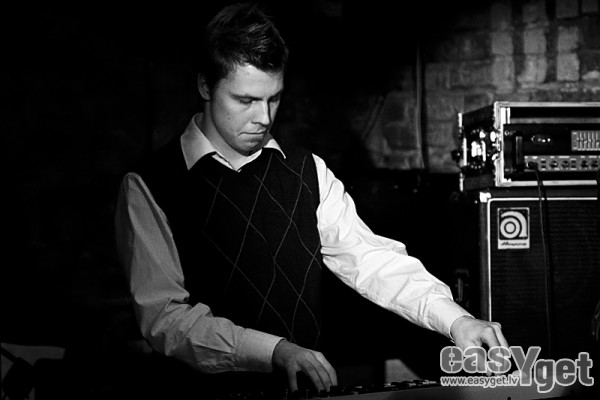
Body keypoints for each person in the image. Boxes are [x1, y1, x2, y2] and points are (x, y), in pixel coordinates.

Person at [114, 2, 507, 397]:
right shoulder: (149, 185)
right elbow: (165, 318)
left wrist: (456, 320)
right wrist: (273, 351)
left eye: (273, 98)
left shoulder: (307, 171)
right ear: (205, 86)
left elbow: (370, 259)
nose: (264, 117)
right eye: (245, 100)